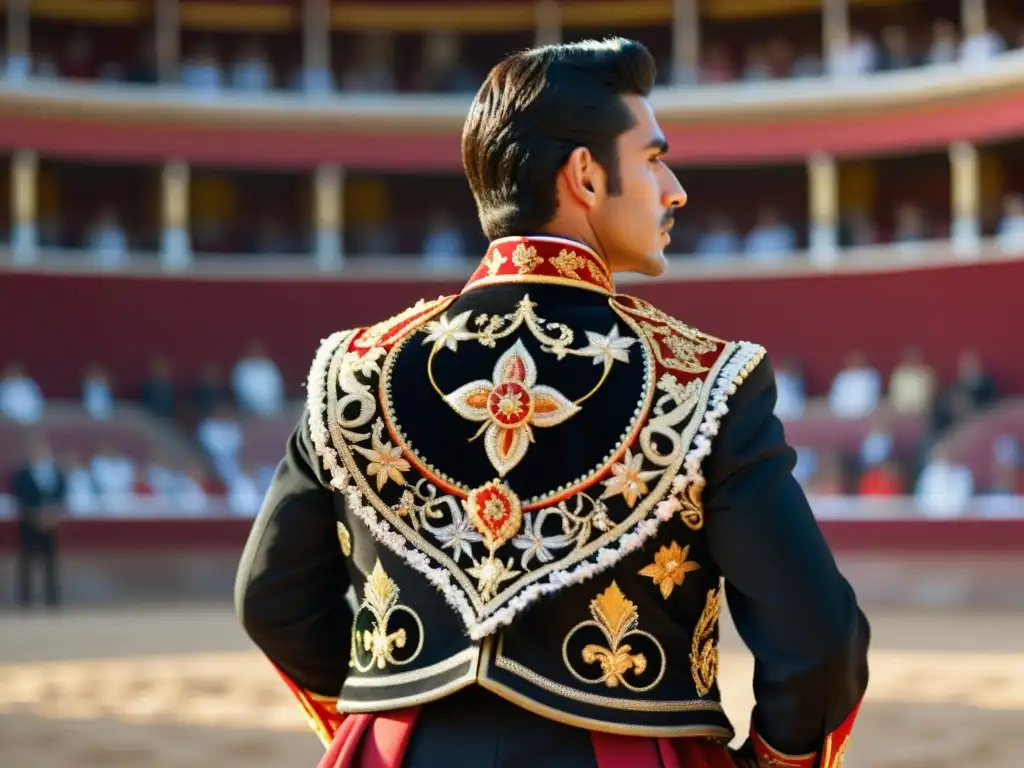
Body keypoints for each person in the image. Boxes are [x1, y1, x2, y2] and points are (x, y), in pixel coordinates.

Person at [235, 39, 869, 768]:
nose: (675, 189)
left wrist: (385, 713)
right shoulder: (706, 377)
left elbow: (270, 599)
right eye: (655, 159)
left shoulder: (354, 367)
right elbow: (818, 640)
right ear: (586, 176)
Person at [12, 436, 67, 608]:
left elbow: (62, 494)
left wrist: (52, 514)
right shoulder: (21, 474)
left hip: (50, 523)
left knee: (50, 561)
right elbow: (20, 496)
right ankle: (25, 599)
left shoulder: (57, 473)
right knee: (27, 560)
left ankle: (52, 598)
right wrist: (35, 514)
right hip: (30, 523)